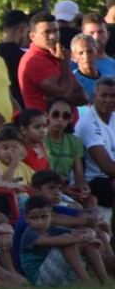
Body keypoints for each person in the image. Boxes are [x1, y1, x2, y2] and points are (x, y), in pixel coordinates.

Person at [18, 195, 110, 286]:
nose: (40, 222)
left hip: (55, 273)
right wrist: (83, 239)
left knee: (80, 242)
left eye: (44, 217)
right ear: (26, 219)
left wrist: (90, 237)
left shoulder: (52, 229)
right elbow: (54, 241)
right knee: (66, 240)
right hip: (40, 279)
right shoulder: (30, 233)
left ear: (52, 217)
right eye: (34, 218)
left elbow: (85, 230)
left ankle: (105, 280)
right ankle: (86, 281)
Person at [17, 12, 86, 114]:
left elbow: (83, 97)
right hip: (46, 127)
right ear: (32, 36)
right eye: (47, 32)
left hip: (68, 125)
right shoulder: (33, 61)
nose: (53, 36)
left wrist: (59, 95)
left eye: (55, 31)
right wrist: (64, 63)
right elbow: (63, 93)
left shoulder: (57, 55)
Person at [75, 76, 115, 208]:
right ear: (94, 96)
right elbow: (108, 168)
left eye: (113, 96)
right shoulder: (89, 123)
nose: (108, 100)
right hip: (93, 181)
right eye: (103, 95)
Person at [44, 95, 88, 187]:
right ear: (47, 115)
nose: (60, 120)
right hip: (44, 188)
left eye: (65, 116)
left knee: (92, 200)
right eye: (55, 114)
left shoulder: (75, 142)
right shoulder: (39, 138)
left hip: (64, 188)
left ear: (71, 118)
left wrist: (84, 190)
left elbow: (79, 179)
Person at [80, 13, 115, 77]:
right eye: (91, 33)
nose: (96, 37)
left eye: (100, 32)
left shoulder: (113, 65)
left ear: (107, 35)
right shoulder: (74, 64)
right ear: (82, 36)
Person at [70, 34, 102, 100]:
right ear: (73, 57)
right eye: (81, 53)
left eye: (90, 51)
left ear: (96, 52)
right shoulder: (72, 82)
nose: (86, 56)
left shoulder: (107, 77)